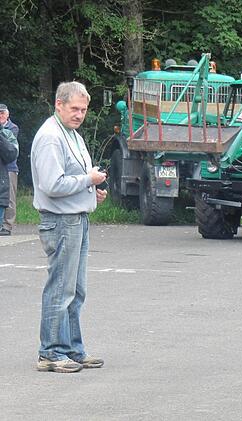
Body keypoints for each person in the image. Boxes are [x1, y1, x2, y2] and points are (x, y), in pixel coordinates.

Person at [30, 81, 108, 373]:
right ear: (58, 105)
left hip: (77, 218)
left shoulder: (71, 135)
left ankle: (73, 350)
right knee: (60, 289)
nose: (79, 114)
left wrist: (93, 191)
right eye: (74, 108)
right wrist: (89, 181)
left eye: (84, 109)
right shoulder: (51, 137)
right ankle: (50, 353)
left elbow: (75, 178)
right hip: (61, 222)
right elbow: (52, 185)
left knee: (76, 290)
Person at [0, 103, 20, 236]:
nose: (0, 115)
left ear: (7, 115)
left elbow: (8, 147)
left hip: (10, 167)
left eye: (2, 113)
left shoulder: (12, 128)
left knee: (10, 198)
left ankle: (7, 225)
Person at [0, 126, 19, 223]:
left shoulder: (7, 132)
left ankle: (7, 225)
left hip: (7, 172)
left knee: (11, 200)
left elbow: (12, 154)